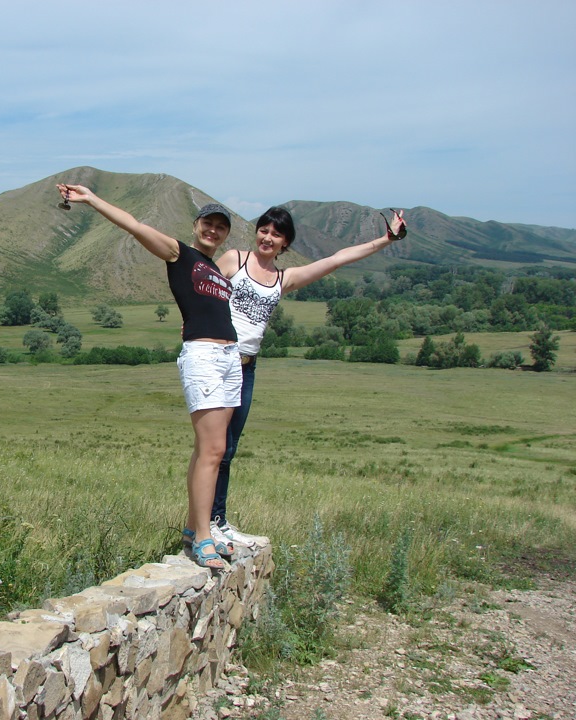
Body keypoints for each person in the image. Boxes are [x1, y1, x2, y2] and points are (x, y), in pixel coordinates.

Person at [56, 182, 240, 571]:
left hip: (228, 357)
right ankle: (203, 539)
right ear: (195, 225)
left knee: (212, 449)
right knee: (212, 451)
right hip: (205, 356)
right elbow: (135, 226)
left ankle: (194, 528)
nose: (213, 230)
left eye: (220, 226)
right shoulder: (180, 253)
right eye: (207, 223)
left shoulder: (216, 268)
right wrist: (91, 199)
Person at [208, 206, 408, 550]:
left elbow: (337, 259)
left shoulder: (283, 279)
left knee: (229, 449)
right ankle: (204, 524)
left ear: (285, 243)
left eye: (276, 234)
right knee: (213, 448)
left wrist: (386, 240)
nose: (267, 238)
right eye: (263, 230)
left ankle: (218, 520)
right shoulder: (233, 260)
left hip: (247, 366)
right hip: (218, 361)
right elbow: (202, 288)